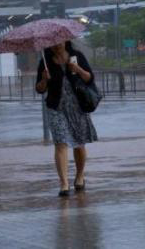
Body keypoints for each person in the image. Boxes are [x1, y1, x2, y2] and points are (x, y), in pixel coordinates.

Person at [36, 41, 98, 197]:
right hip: (56, 108)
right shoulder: (45, 62)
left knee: (79, 143)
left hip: (77, 106)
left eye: (59, 42)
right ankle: (64, 183)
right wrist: (44, 79)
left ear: (65, 41)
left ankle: (79, 176)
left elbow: (89, 79)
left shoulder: (77, 56)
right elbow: (39, 89)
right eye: (52, 44)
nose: (56, 46)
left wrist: (77, 69)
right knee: (61, 143)